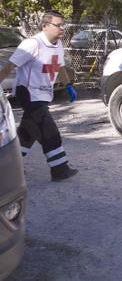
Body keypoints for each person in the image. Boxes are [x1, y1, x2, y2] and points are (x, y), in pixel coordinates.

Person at [0, 11, 79, 181]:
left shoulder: (57, 44)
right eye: (58, 25)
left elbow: (61, 67)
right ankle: (60, 169)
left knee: (28, 132)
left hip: (43, 94)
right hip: (28, 92)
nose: (62, 28)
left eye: (63, 24)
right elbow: (9, 66)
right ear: (45, 26)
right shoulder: (32, 44)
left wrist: (68, 86)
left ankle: (11, 167)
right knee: (48, 130)